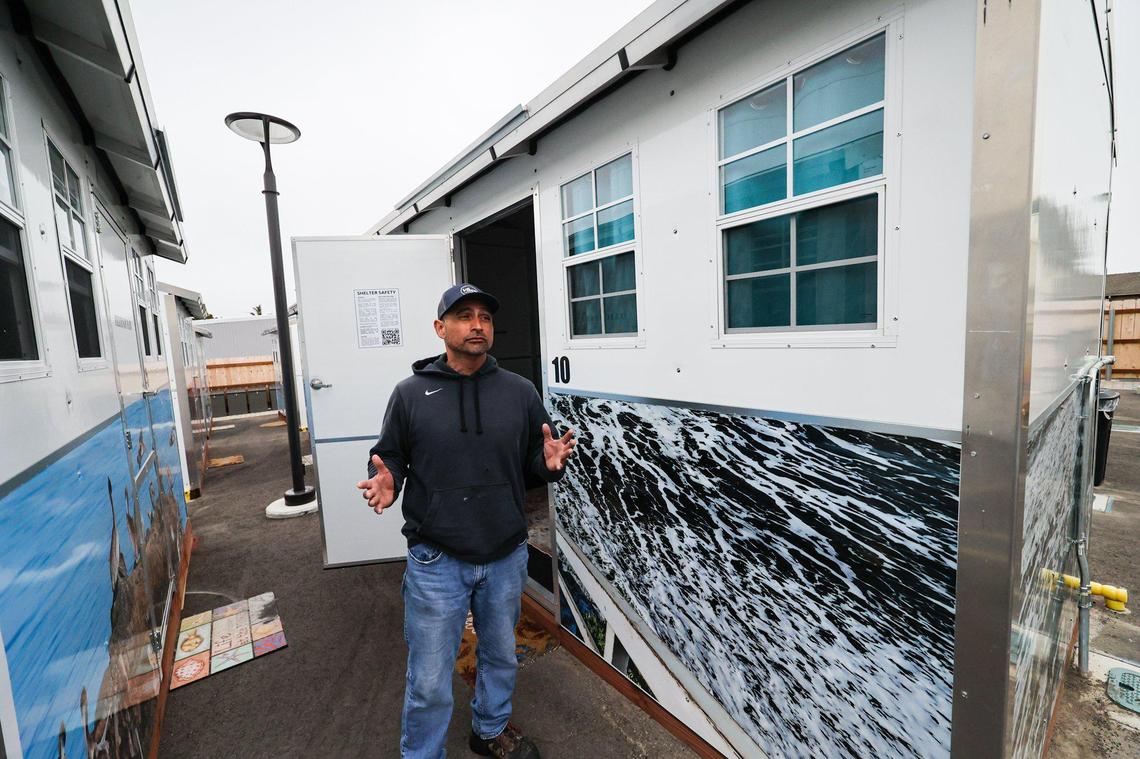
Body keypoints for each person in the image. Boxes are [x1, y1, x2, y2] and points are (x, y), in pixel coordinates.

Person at [356, 283, 576, 759]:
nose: (477, 324)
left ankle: (489, 729)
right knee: (431, 676)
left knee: (500, 656)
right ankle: (422, 753)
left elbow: (532, 461)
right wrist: (387, 478)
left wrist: (550, 462)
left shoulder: (519, 392)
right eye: (463, 315)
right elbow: (390, 455)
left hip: (504, 554)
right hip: (437, 557)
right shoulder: (411, 394)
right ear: (440, 329)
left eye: (485, 317)